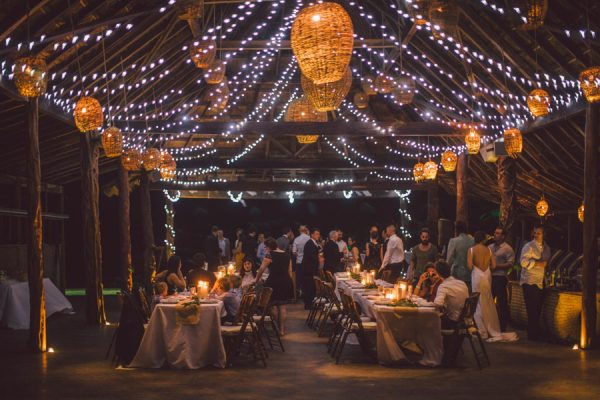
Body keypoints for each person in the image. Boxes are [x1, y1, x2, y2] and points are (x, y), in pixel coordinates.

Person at [468, 231, 518, 342]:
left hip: (477, 275)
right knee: (488, 300)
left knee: (478, 301)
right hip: (487, 275)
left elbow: (470, 266)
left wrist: (477, 267)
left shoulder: (471, 250)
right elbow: (494, 265)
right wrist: (485, 267)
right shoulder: (489, 249)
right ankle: (491, 327)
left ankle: (482, 330)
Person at [256, 238, 294, 335]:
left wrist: (255, 280)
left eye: (265, 247)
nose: (265, 249)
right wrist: (289, 283)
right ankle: (281, 330)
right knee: (282, 307)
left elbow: (261, 269)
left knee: (271, 306)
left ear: (269, 247)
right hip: (286, 281)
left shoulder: (269, 255)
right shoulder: (287, 255)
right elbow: (290, 272)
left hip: (273, 282)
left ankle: (277, 326)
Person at [519, 225, 550, 341]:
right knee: (532, 309)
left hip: (540, 281)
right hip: (529, 281)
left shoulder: (546, 248)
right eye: (535, 233)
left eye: (539, 233)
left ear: (543, 235)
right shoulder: (528, 246)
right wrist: (537, 264)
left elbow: (546, 262)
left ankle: (535, 332)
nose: (536, 235)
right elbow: (522, 262)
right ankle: (532, 335)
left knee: (537, 308)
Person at [489, 227, 515, 332]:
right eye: (495, 232)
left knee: (502, 302)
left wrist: (497, 266)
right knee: (489, 300)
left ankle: (502, 325)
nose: (495, 235)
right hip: (490, 277)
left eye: (498, 233)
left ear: (503, 236)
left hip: (500, 277)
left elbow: (510, 263)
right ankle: (491, 324)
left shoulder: (507, 249)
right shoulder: (490, 247)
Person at [431, 261, 468, 329]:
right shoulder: (462, 283)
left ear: (438, 274)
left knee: (428, 321)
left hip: (452, 321)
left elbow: (437, 304)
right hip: (464, 319)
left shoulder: (443, 286)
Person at [446, 221, 474, 287]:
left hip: (457, 274)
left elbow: (449, 259)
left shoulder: (454, 241)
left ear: (456, 229)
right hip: (470, 274)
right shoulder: (473, 240)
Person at [301, 228, 321, 309]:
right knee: (309, 287)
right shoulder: (309, 243)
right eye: (316, 234)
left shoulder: (313, 243)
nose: (318, 236)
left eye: (318, 234)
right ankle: (308, 304)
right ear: (312, 234)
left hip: (310, 268)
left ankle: (310, 303)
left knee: (311, 287)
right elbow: (311, 257)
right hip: (308, 269)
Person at [292, 225, 310, 294]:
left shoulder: (296, 239)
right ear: (306, 230)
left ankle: (299, 292)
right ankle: (306, 292)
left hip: (299, 262)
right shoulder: (309, 238)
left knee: (299, 279)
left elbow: (294, 252)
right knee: (307, 279)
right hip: (307, 262)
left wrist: (299, 254)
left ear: (299, 231)